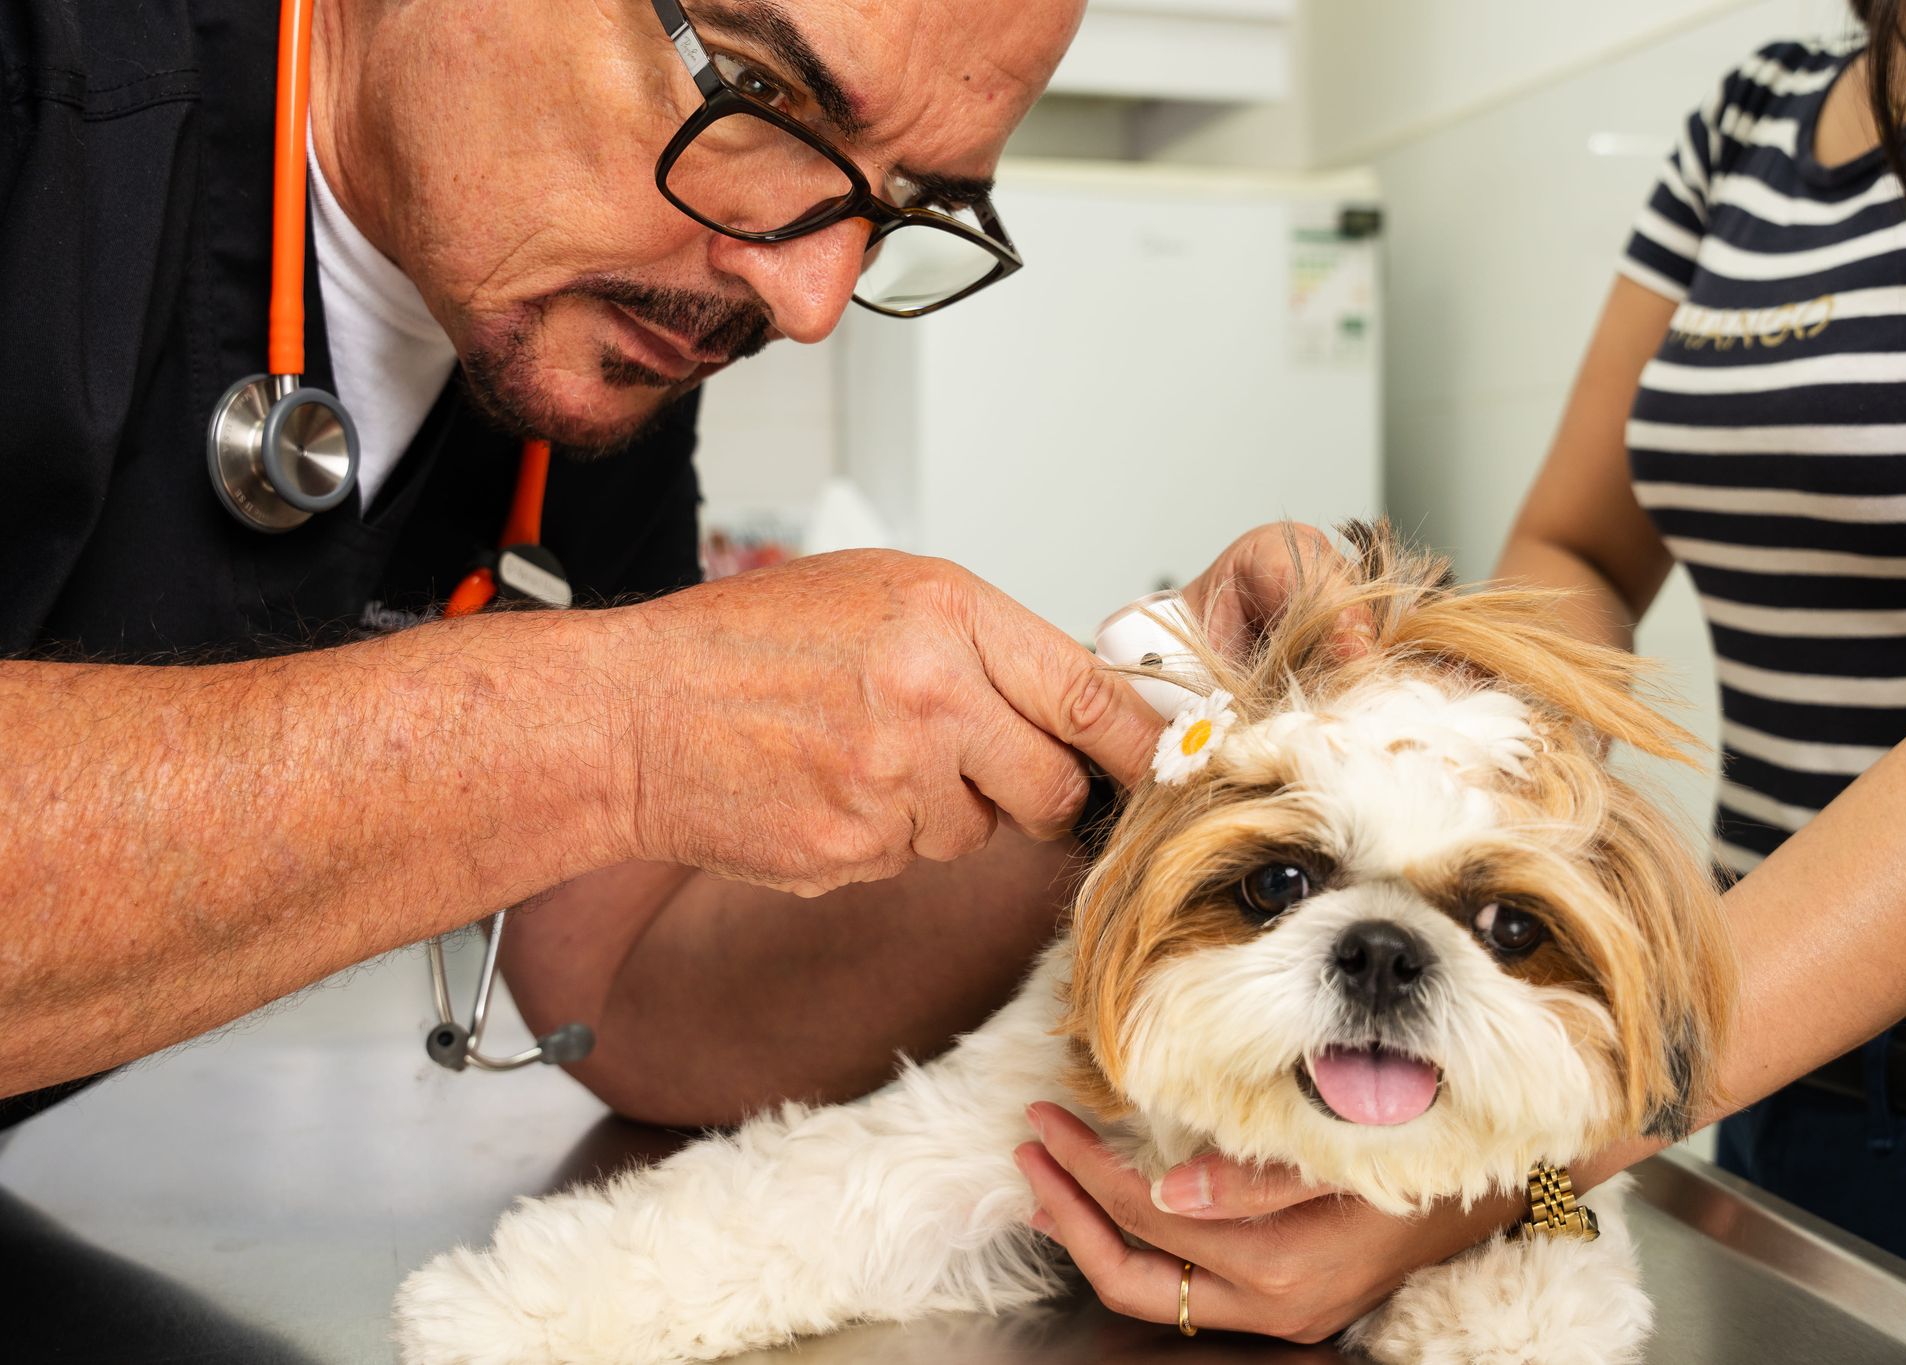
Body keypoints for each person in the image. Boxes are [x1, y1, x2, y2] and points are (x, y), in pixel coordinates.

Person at [0, 0, 1322, 1136]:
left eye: (905, 206)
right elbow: (621, 745)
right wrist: (623, 727)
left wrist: (1136, 775)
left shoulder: (592, 329)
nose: (806, 301)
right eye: (760, 93)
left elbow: (625, 986)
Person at [1001, 0, 1906, 1341]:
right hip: (1770, 1083)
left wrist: (1491, 1172)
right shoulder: (1762, 114)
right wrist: (1461, 771)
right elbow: (1580, 546)